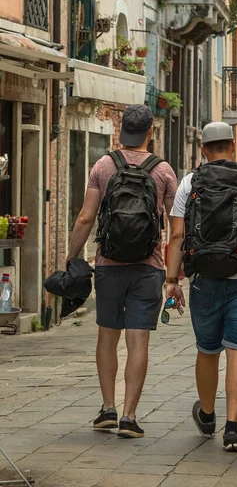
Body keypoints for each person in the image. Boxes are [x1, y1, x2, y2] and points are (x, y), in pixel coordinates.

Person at [67, 104, 178, 439]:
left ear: (121, 131)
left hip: (108, 264)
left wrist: (70, 258)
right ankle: (130, 416)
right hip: (149, 267)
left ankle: (107, 409)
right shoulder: (163, 171)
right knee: (138, 339)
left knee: (107, 335)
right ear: (150, 132)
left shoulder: (103, 165)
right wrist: (175, 273)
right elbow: (177, 228)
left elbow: (86, 217)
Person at [166, 122, 237, 453]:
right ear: (233, 146)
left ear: (203, 149)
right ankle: (233, 429)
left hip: (203, 281)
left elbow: (175, 236)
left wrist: (172, 281)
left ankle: (208, 414)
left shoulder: (189, 182)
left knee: (207, 349)